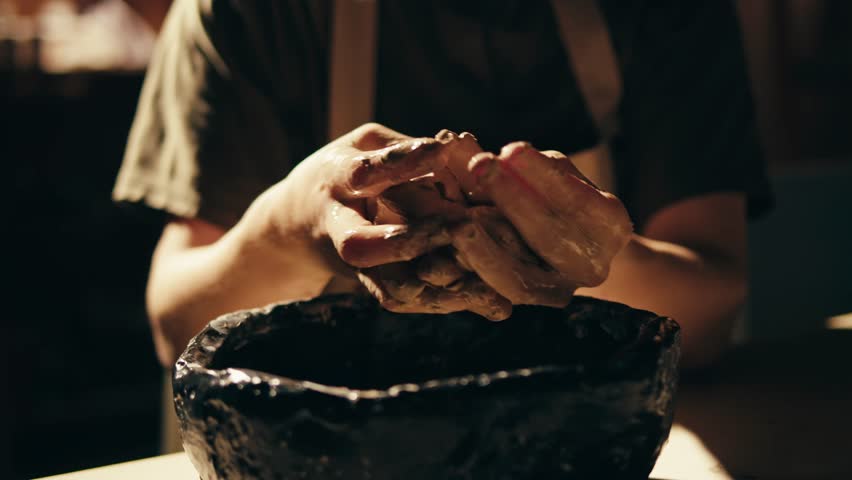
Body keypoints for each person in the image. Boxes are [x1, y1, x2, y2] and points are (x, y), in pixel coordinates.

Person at [113, 0, 772, 371]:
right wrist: (287, 229)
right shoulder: (248, 15)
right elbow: (179, 326)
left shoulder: (669, 15)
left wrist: (572, 247)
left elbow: (712, 311)